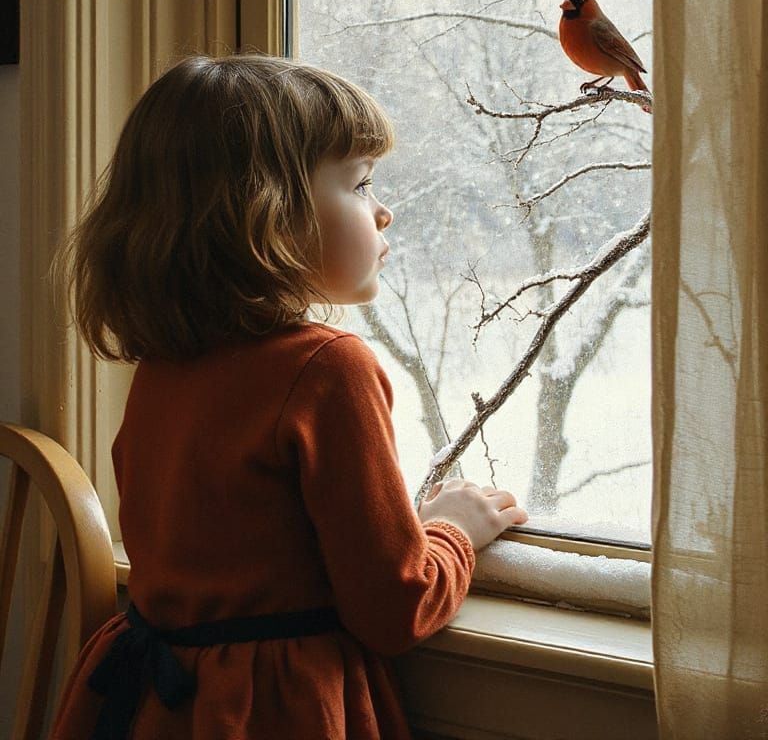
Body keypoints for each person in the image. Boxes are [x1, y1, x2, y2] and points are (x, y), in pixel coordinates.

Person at [50, 54, 528, 740]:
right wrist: (452, 531)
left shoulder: (165, 367)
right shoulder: (328, 370)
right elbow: (394, 609)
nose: (384, 209)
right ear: (268, 215)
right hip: (269, 710)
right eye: (361, 184)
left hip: (151, 709)